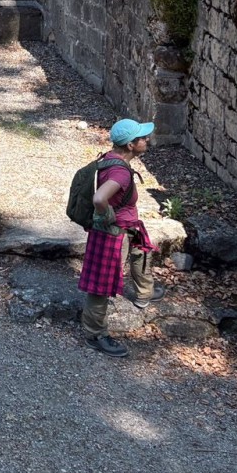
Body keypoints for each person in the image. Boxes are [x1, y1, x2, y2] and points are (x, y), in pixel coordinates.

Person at [78, 118, 163, 357]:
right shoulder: (120, 172)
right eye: (142, 138)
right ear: (130, 145)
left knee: (141, 252)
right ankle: (95, 335)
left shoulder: (110, 159)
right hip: (113, 232)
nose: (146, 140)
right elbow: (98, 199)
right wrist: (108, 217)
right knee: (100, 286)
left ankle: (144, 293)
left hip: (127, 226)